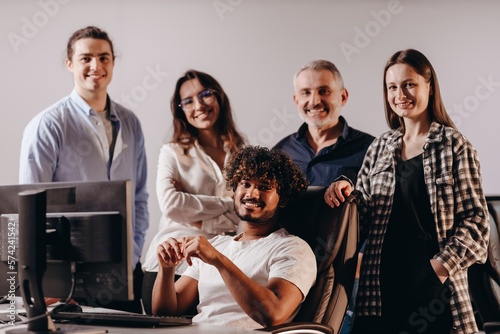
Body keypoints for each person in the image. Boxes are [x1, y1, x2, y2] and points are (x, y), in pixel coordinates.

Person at [324, 49, 490, 334]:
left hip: (435, 292)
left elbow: (477, 225)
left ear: (430, 86)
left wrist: (435, 271)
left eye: (409, 84)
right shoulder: (379, 147)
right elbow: (361, 215)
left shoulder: (454, 146)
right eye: (392, 87)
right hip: (379, 292)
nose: (400, 94)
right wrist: (346, 189)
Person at [18, 26, 149, 313]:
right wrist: (51, 282)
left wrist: (133, 256)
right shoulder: (47, 125)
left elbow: (139, 197)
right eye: (86, 58)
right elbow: (32, 211)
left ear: (113, 62)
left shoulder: (130, 122)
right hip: (70, 279)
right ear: (69, 63)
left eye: (104, 58)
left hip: (124, 273)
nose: (96, 66)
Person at [151, 146, 316, 329]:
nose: (251, 194)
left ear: (282, 198)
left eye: (264, 187)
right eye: (245, 184)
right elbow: (165, 313)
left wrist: (218, 260)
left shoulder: (293, 248)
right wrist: (166, 269)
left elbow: (273, 314)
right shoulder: (217, 245)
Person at [141, 70, 246, 314]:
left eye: (205, 94)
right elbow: (171, 204)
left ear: (219, 97)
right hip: (170, 263)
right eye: (188, 101)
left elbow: (248, 211)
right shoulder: (172, 152)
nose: (198, 105)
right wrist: (228, 205)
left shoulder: (242, 153)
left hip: (215, 265)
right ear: (181, 110)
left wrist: (198, 215)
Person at [274, 59, 374, 186]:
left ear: (343, 97)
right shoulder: (281, 152)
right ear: (296, 100)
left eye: (324, 91)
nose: (314, 101)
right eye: (306, 93)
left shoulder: (370, 150)